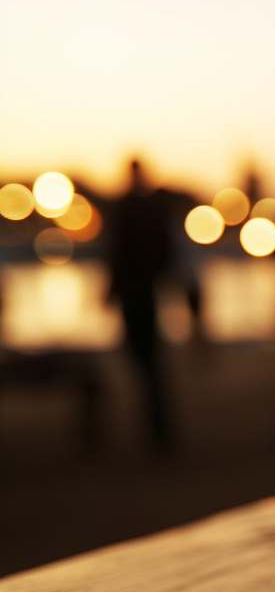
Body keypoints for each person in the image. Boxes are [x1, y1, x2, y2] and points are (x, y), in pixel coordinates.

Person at [108, 159, 173, 448]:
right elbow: (166, 253)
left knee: (144, 361)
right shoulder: (151, 210)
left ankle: (156, 429)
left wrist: (113, 288)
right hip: (145, 292)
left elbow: (118, 253)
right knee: (151, 362)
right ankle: (158, 428)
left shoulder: (128, 209)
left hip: (136, 294)